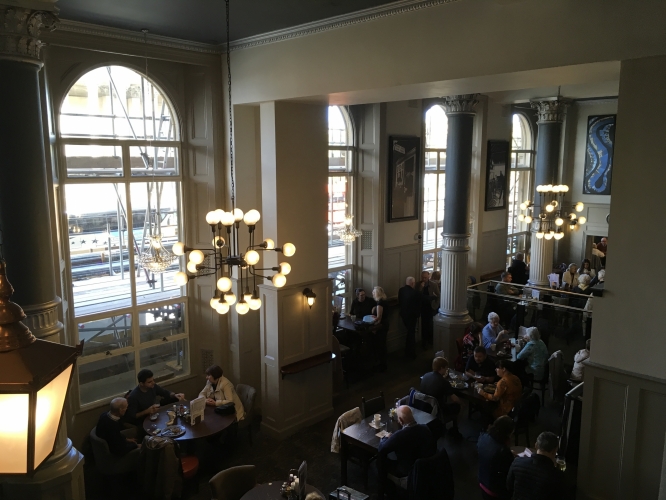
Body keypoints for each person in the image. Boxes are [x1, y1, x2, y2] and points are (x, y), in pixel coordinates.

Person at [378, 406, 436, 480]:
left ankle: (383, 486)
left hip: (407, 472)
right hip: (427, 468)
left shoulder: (400, 435)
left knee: (381, 459)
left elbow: (381, 449)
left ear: (401, 420)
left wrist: (385, 437)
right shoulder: (425, 428)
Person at [506, 431, 565, 500]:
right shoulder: (557, 476)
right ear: (555, 451)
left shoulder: (517, 462)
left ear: (536, 445)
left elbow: (509, 487)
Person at [420, 357, 462, 438]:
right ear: (442, 368)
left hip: (425, 407)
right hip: (438, 410)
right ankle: (455, 430)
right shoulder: (443, 382)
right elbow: (454, 398)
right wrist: (461, 403)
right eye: (446, 368)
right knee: (457, 406)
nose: (446, 370)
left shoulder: (425, 376)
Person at [478, 415, 515, 500]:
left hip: (482, 480)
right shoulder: (502, 451)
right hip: (495, 490)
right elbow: (510, 471)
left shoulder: (483, 438)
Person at [398, 276, 421, 358]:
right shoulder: (415, 292)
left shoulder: (401, 290)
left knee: (409, 333)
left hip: (403, 315)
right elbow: (419, 303)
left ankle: (408, 352)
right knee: (411, 334)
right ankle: (410, 353)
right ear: (413, 283)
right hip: (412, 316)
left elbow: (400, 302)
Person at [370, 286, 389, 372]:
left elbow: (379, 317)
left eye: (374, 292)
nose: (372, 294)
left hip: (381, 326)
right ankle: (383, 363)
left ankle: (382, 364)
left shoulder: (380, 303)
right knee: (382, 344)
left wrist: (375, 329)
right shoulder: (384, 301)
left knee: (380, 345)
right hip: (386, 324)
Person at [417, 271, 435, 349]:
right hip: (422, 308)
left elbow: (438, 296)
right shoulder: (418, 284)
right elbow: (417, 295)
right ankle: (424, 342)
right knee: (424, 326)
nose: (424, 279)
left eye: (426, 277)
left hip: (431, 308)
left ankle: (430, 341)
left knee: (430, 325)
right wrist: (421, 287)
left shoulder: (433, 284)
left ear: (429, 277)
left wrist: (435, 306)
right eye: (423, 277)